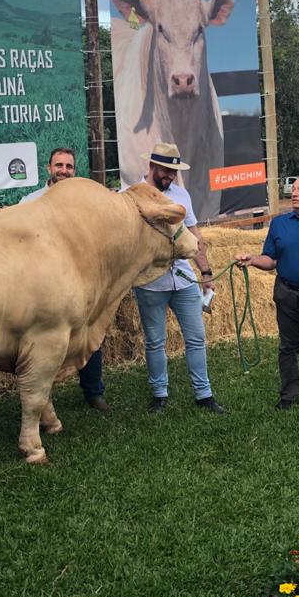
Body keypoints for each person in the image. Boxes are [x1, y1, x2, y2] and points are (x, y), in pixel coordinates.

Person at [130, 142, 225, 414]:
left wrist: (205, 273)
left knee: (196, 337)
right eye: (165, 171)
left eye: (174, 172)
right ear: (151, 166)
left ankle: (204, 394)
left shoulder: (181, 195)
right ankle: (159, 394)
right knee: (155, 341)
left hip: (183, 279)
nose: (170, 176)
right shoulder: (131, 197)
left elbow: (195, 237)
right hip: (150, 282)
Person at [236, 172, 299, 415]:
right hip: (287, 292)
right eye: (294, 188)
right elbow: (270, 259)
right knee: (288, 346)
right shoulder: (280, 223)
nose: (294, 193)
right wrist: (252, 259)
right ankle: (288, 395)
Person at [20, 147, 109, 412]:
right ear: (49, 169)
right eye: (59, 165)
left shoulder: (86, 204)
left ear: (75, 171)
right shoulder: (30, 202)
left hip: (80, 284)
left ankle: (94, 392)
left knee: (88, 335)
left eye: (69, 167)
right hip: (43, 287)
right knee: (46, 344)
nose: (64, 171)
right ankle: (44, 401)